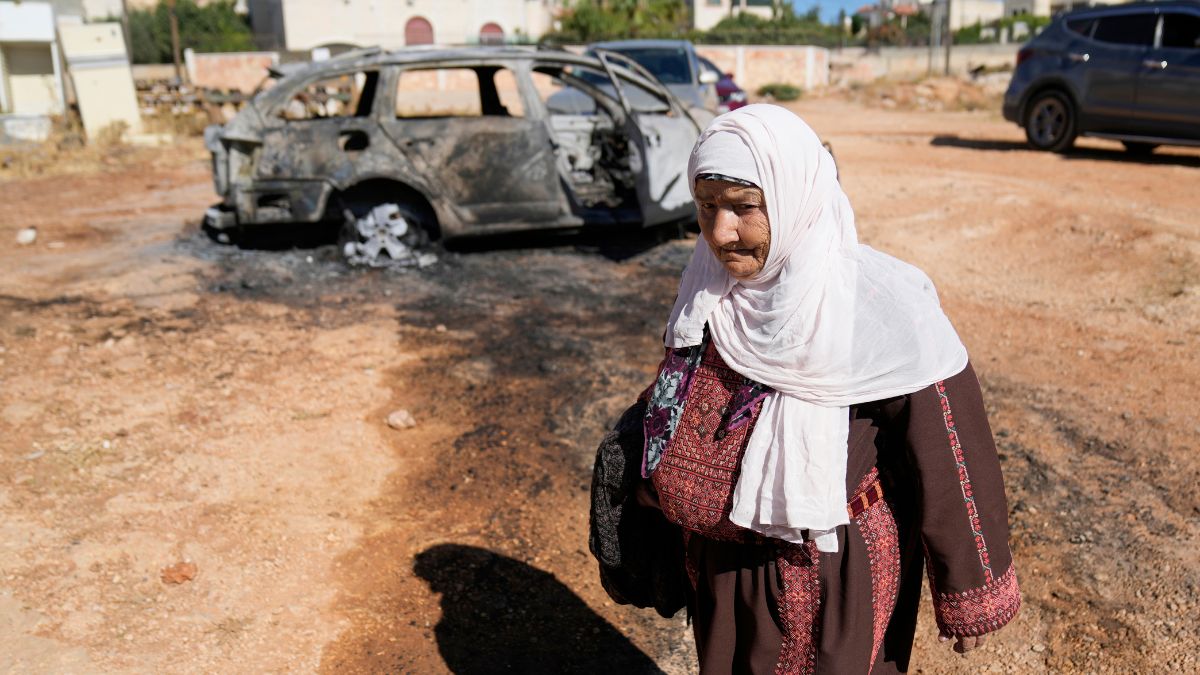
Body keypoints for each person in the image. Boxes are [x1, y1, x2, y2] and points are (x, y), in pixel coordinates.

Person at [636, 104, 1019, 674]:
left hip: (834, 576)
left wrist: (970, 589)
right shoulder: (707, 289)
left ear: (794, 200)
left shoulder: (882, 303)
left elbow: (948, 444)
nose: (720, 232)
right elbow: (674, 405)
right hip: (721, 569)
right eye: (706, 206)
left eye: (744, 208)